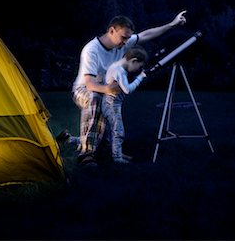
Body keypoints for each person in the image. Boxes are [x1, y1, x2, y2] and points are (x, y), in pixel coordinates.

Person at [72, 11, 187, 165]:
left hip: (106, 88)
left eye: (128, 38)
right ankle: (87, 154)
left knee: (111, 112)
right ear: (111, 30)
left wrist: (172, 24)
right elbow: (90, 84)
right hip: (82, 89)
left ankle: (109, 149)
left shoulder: (123, 41)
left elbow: (146, 35)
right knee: (96, 98)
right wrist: (108, 89)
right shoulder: (91, 50)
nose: (126, 42)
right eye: (123, 37)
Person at [102, 45, 148, 163]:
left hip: (109, 103)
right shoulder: (120, 70)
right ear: (134, 61)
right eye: (139, 66)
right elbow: (127, 90)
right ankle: (117, 158)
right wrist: (140, 78)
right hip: (111, 104)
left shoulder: (116, 66)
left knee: (107, 134)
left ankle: (117, 153)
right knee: (118, 132)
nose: (138, 69)